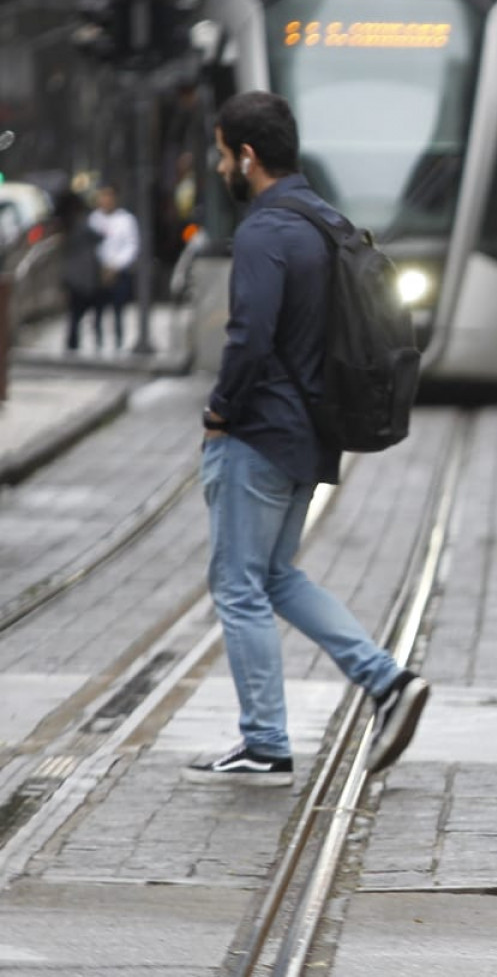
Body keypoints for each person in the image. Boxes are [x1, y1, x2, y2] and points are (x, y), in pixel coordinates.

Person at [187, 90, 429, 784]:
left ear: (247, 155)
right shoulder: (324, 219)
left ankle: (264, 740)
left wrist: (219, 411)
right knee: (276, 575)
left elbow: (250, 335)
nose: (217, 163)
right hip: (312, 431)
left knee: (237, 584)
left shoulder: (266, 231)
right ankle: (388, 682)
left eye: (220, 150)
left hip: (261, 428)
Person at [88, 184, 139, 351]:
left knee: (118, 310)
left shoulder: (126, 220)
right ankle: (98, 342)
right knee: (98, 310)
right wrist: (101, 266)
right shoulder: (93, 220)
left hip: (119, 271)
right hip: (98, 272)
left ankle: (119, 342)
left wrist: (116, 266)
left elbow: (132, 245)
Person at [55, 191, 101, 354]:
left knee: (76, 314)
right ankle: (83, 342)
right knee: (84, 313)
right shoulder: (81, 225)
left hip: (75, 277)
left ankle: (73, 343)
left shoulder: (68, 226)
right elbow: (99, 236)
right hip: (83, 278)